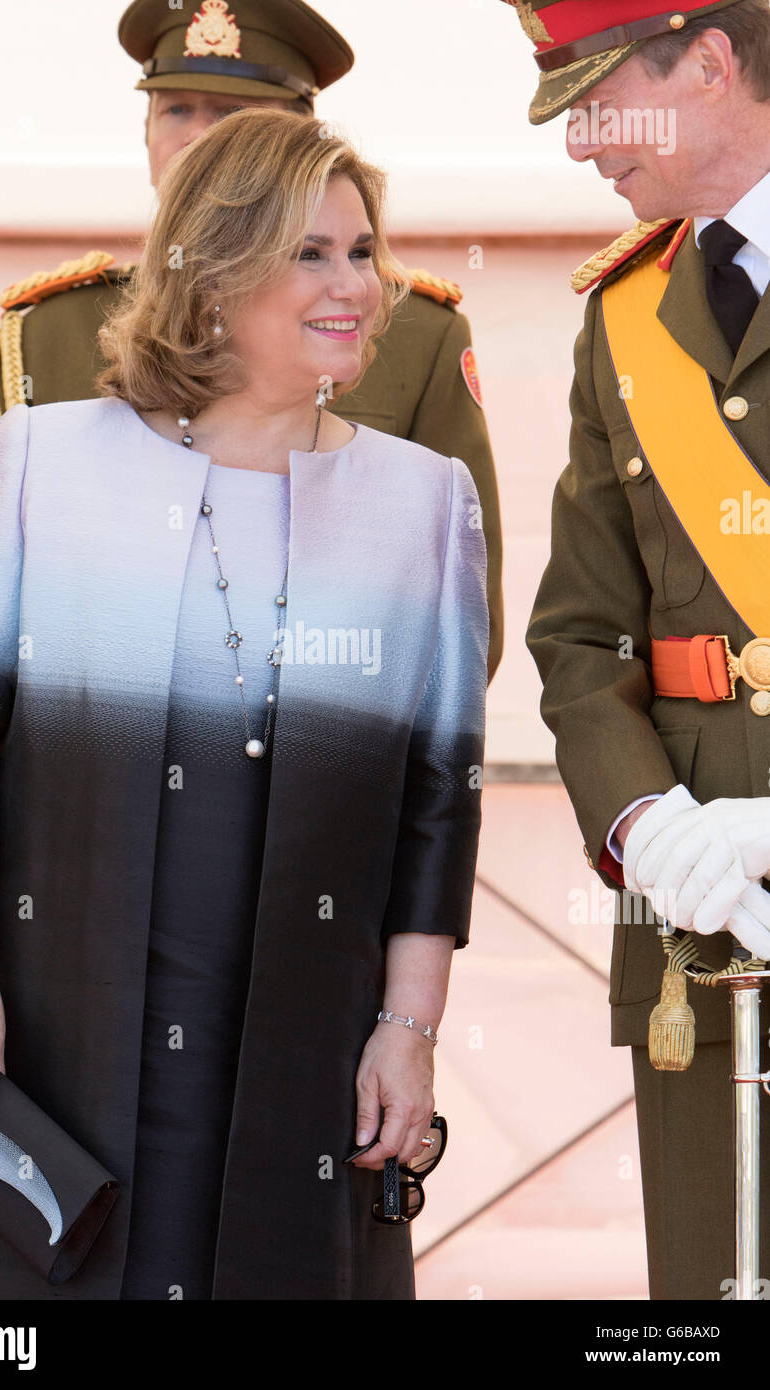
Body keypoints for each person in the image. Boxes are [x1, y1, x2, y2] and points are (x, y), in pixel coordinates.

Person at [0, 108, 489, 1301]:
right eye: (310, 253)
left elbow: (439, 796)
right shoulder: (44, 458)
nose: (357, 287)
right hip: (55, 1026)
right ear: (212, 273)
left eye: (362, 251)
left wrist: (408, 1032)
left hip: (303, 1042)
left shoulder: (427, 500)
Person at [0, 0, 504, 683]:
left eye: (231, 117)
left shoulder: (406, 330)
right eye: (175, 110)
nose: (196, 139)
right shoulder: (44, 333)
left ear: (300, 143)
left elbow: (459, 627)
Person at [514, 0, 770, 1298]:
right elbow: (578, 630)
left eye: (602, 103)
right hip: (700, 933)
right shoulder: (624, 317)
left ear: (712, 61)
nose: (580, 148)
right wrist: (644, 820)